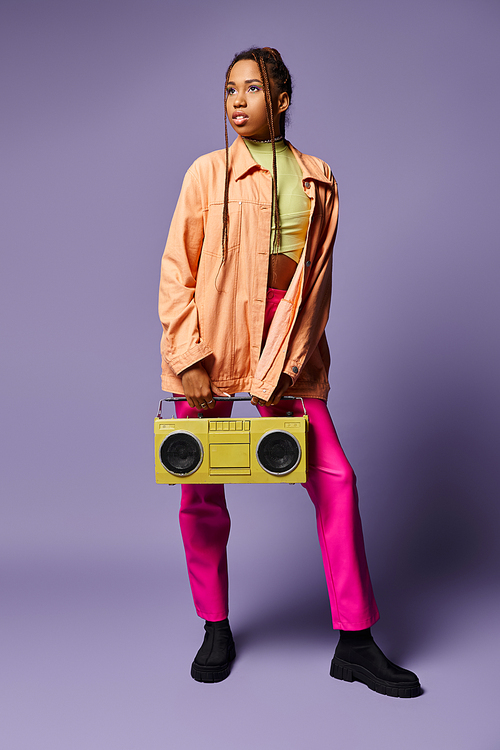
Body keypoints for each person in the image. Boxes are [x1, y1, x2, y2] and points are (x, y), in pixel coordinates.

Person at [158, 47, 421, 697]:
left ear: (281, 99)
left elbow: (317, 286)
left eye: (251, 88)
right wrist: (188, 357)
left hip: (289, 342)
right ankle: (214, 624)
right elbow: (176, 272)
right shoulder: (205, 174)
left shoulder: (318, 178)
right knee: (201, 485)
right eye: (228, 90)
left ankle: (355, 641)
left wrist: (288, 359)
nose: (237, 100)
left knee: (335, 477)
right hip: (212, 344)